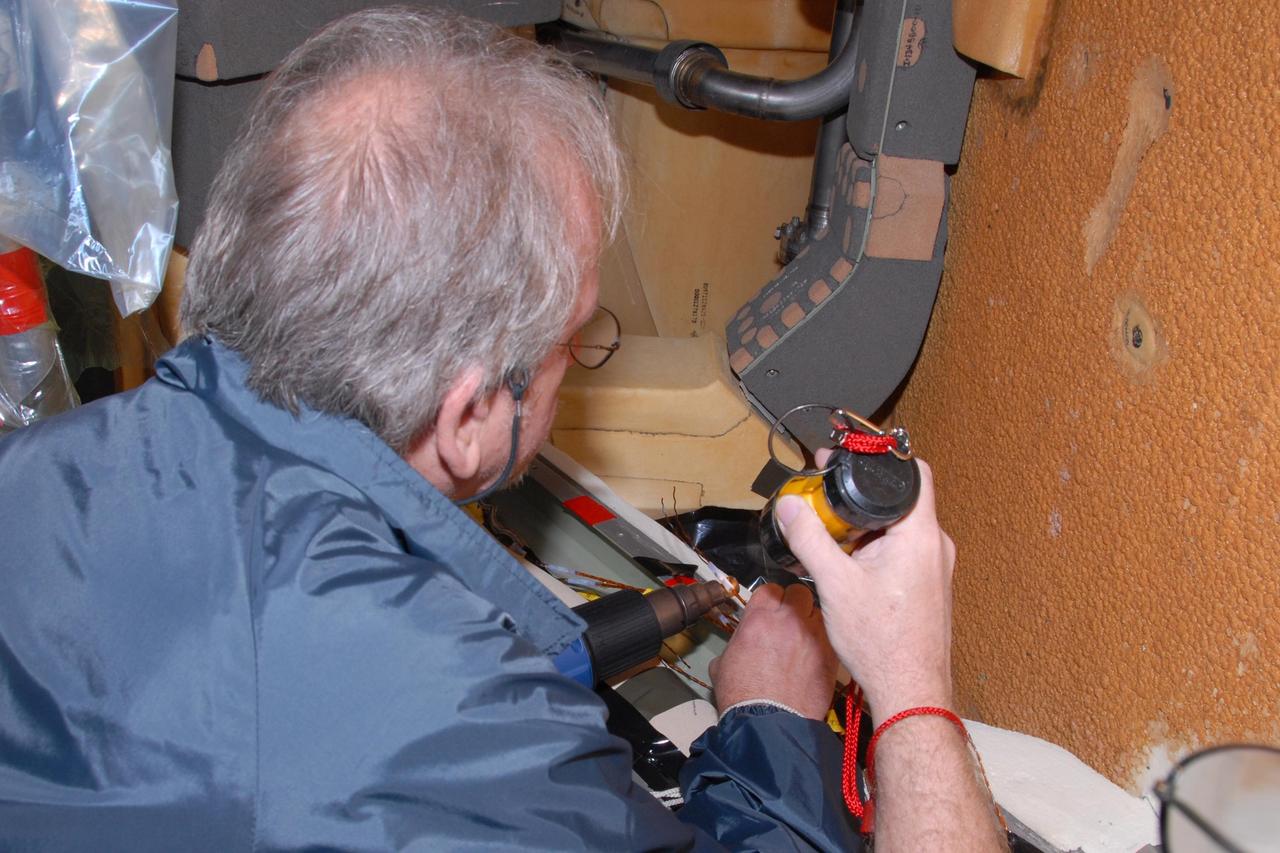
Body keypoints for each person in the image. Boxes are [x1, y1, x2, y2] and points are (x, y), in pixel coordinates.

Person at [0, 8, 1005, 851]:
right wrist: (874, 699)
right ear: (473, 415)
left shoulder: (38, 471)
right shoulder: (460, 744)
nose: (579, 360)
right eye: (576, 337)